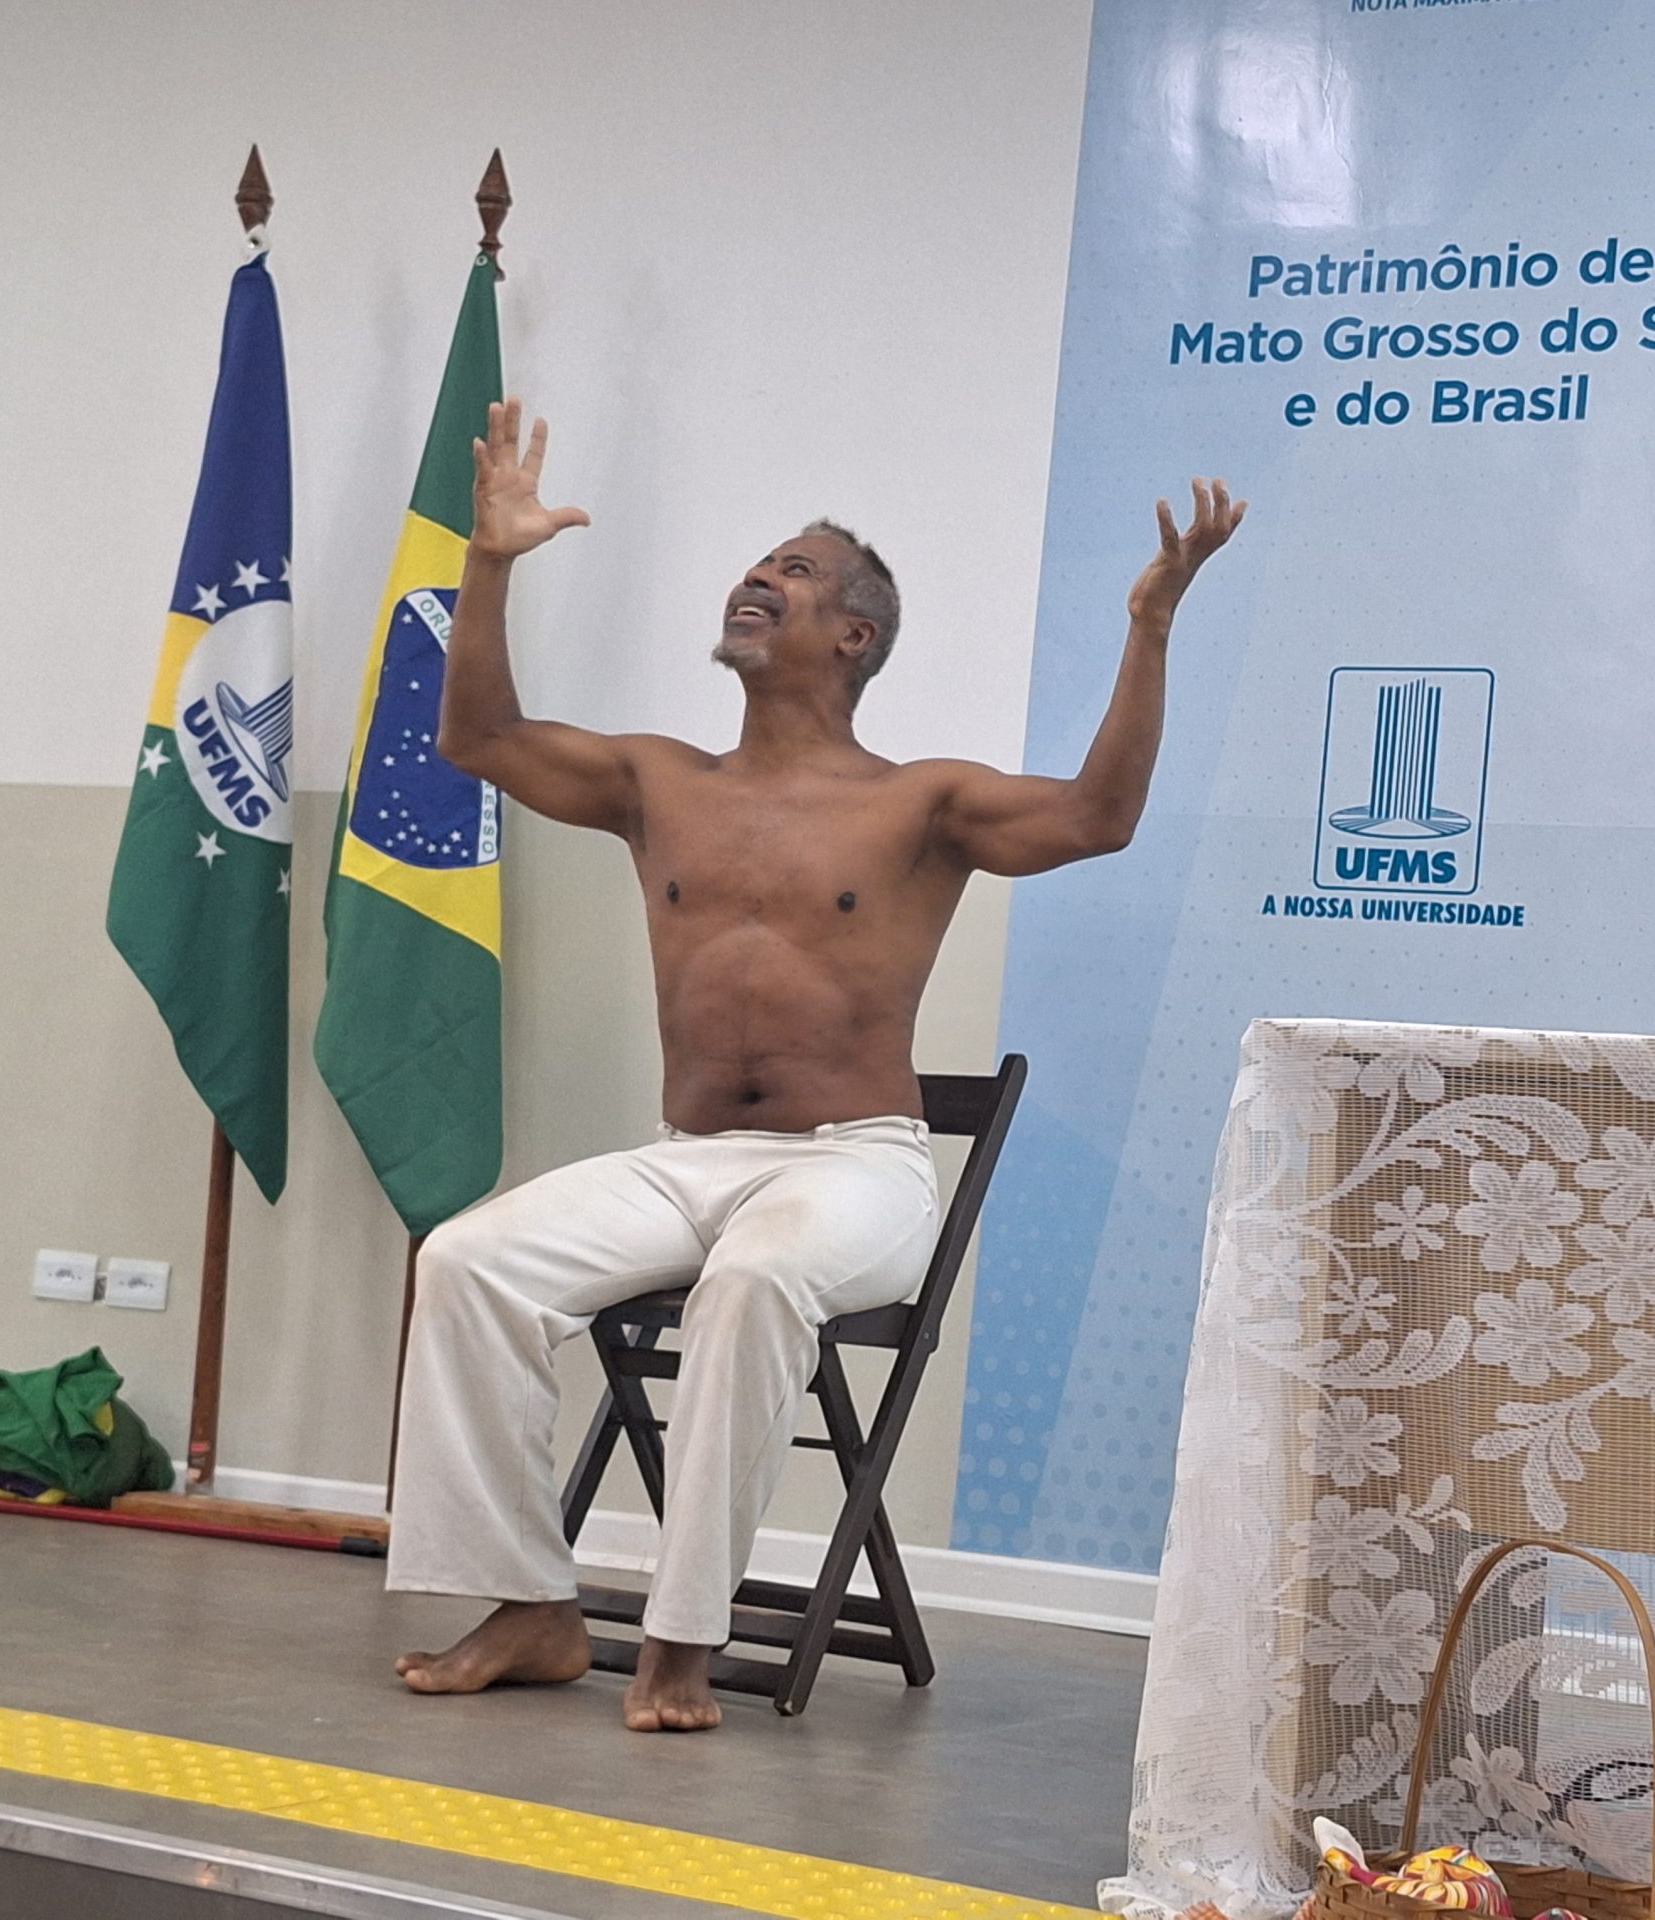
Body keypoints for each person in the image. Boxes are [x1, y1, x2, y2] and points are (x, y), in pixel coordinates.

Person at [389, 399, 1245, 1731]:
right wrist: (488, 561)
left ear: (853, 634)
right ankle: (530, 1605)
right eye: (755, 564)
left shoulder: (920, 801)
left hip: (855, 1173)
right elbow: (479, 741)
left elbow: (1099, 816)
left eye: (790, 570)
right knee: (466, 1262)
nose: (756, 578)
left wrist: (1150, 626)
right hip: (688, 1161)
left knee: (754, 1280)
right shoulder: (656, 779)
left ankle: (681, 1640)